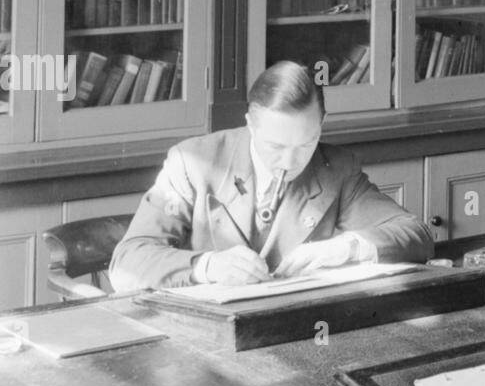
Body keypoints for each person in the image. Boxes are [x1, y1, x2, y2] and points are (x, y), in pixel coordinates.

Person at [110, 61, 434, 291]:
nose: (291, 161)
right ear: (251, 124)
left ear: (321, 124)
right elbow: (127, 262)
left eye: (307, 142)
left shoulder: (337, 168)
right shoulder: (192, 162)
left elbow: (415, 234)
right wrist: (206, 267)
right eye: (275, 146)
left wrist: (347, 248)